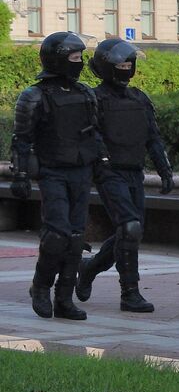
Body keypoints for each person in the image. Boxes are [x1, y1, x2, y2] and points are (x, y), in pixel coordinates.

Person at [11, 32, 109, 321]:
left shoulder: (86, 93)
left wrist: (102, 162)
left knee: (76, 237)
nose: (79, 63)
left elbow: (96, 132)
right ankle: (40, 287)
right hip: (52, 172)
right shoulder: (34, 95)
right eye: (74, 58)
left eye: (81, 58)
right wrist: (20, 175)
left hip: (81, 172)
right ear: (57, 59)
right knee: (57, 234)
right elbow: (22, 140)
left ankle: (64, 298)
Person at [75, 39, 175, 312]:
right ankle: (129, 292)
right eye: (120, 64)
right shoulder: (93, 99)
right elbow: (92, 137)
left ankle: (89, 267)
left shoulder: (139, 98)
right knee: (130, 227)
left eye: (129, 64)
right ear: (107, 67)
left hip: (134, 173)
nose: (126, 68)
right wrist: (103, 164)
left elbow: (153, 137)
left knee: (131, 231)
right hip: (110, 174)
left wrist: (164, 170)